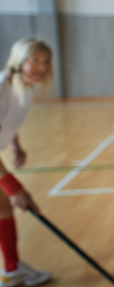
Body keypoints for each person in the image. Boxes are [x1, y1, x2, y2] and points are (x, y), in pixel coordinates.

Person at [0, 38, 53, 287]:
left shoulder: (24, 88)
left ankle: (12, 271)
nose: (42, 67)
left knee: (3, 210)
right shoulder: (2, 87)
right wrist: (14, 188)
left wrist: (14, 145)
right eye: (35, 60)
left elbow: (6, 122)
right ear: (19, 60)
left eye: (46, 61)